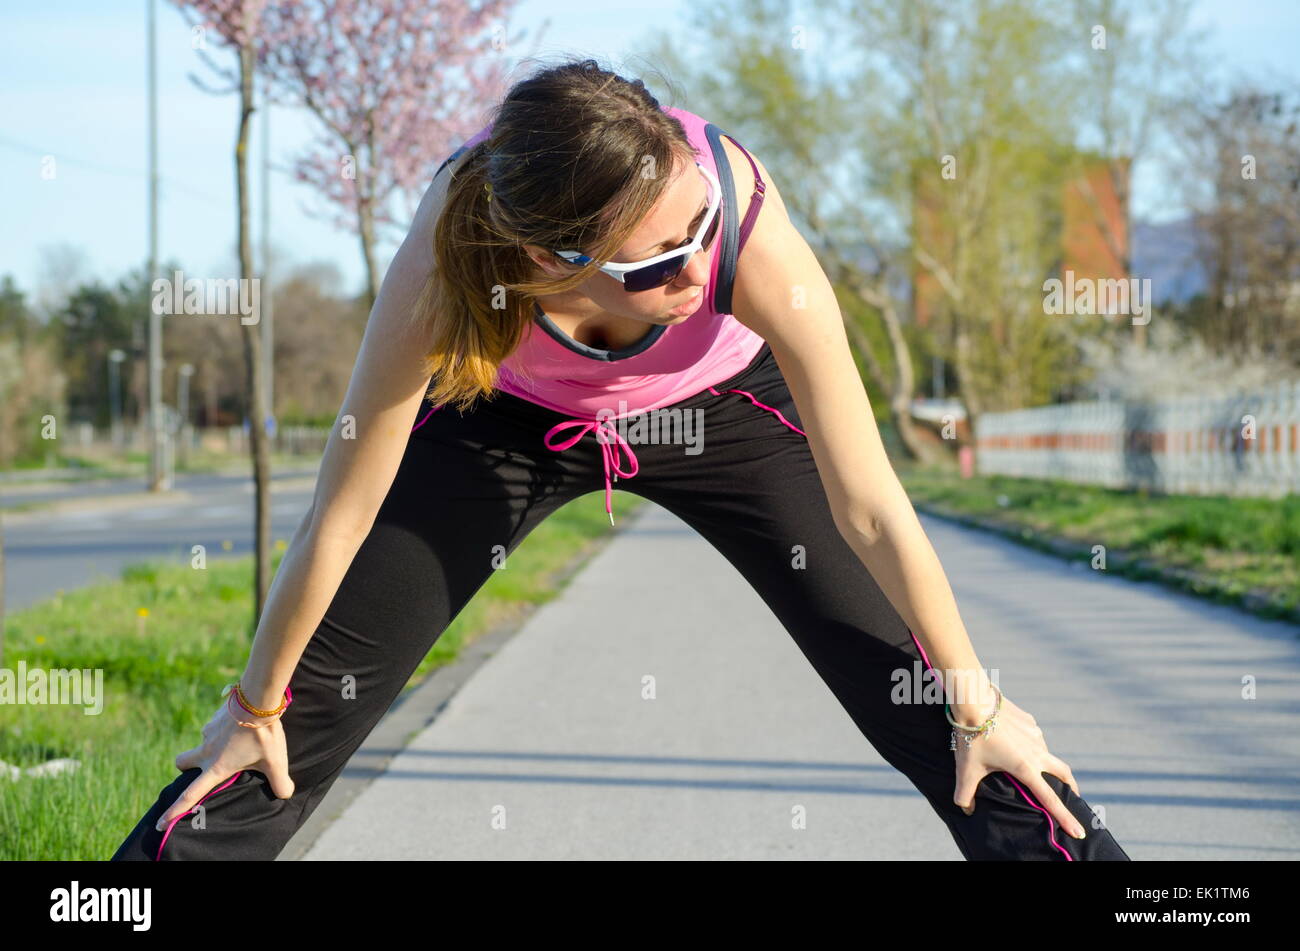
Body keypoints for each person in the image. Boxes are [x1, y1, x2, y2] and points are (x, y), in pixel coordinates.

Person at [111, 57, 1130, 861]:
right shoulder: (448, 255)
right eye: (653, 262)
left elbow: (868, 505)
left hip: (725, 405)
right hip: (501, 419)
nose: (696, 266)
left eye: (699, 229)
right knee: (292, 720)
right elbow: (345, 502)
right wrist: (253, 702)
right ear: (554, 261)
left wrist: (981, 701)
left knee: (938, 700)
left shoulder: (744, 219)